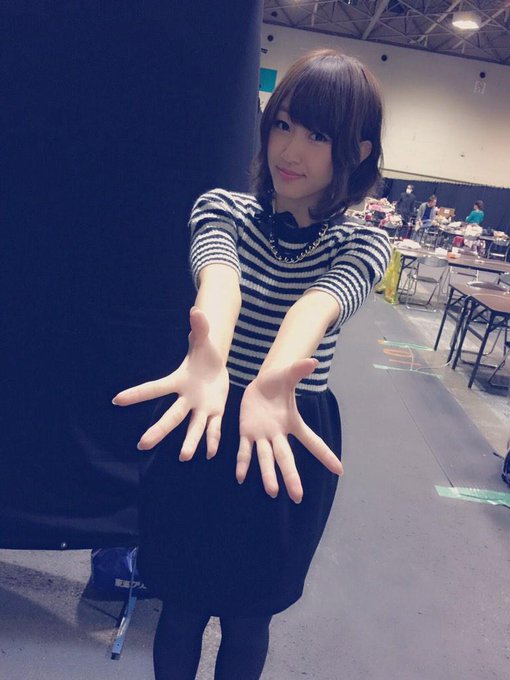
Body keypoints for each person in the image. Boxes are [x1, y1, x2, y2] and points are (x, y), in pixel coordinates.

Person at [113, 49, 391, 680]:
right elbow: (221, 278)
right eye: (283, 125)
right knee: (179, 607)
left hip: (284, 433)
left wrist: (270, 379)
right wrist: (212, 352)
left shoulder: (363, 243)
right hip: (204, 416)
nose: (290, 150)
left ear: (358, 151)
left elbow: (319, 305)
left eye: (318, 136)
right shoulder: (222, 209)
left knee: (248, 617)